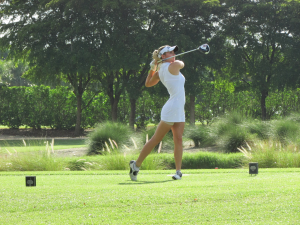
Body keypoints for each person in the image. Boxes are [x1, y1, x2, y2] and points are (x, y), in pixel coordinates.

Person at [129, 45, 186, 181]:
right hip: (172, 108)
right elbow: (181, 64)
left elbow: (148, 83)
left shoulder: (161, 71)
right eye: (170, 52)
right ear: (163, 56)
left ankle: (178, 171)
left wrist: (153, 68)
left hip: (178, 108)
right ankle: (136, 166)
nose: (173, 53)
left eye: (173, 51)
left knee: (178, 139)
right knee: (156, 139)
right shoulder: (172, 66)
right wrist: (156, 66)